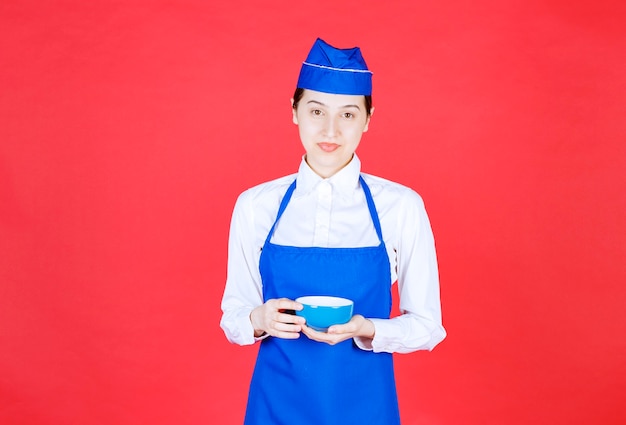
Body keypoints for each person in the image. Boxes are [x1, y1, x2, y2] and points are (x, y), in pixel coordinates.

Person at [220, 38, 446, 425]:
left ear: (368, 119)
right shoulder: (256, 206)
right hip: (276, 404)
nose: (330, 129)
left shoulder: (401, 206)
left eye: (347, 114)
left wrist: (368, 329)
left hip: (365, 407)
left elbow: (428, 327)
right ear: (294, 112)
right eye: (315, 110)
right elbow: (234, 316)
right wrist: (261, 319)